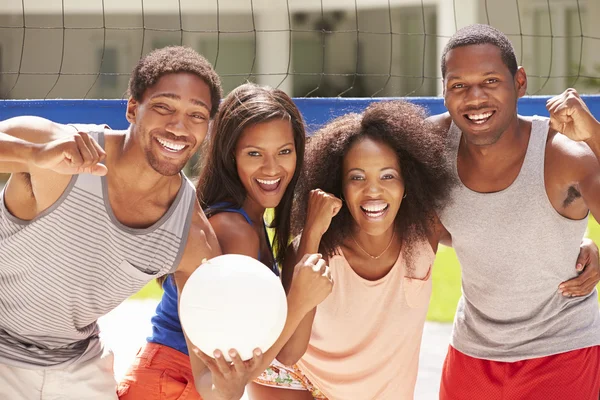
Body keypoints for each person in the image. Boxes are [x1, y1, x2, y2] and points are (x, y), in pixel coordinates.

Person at [0, 47, 327, 400]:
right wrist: (32, 156)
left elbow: (206, 380)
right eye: (163, 107)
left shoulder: (193, 235)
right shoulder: (60, 150)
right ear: (131, 108)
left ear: (207, 128)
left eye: (196, 115)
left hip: (78, 366)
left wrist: (228, 387)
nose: (178, 126)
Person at [118, 83, 333, 400]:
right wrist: (300, 299)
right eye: (254, 153)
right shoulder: (232, 231)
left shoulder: (251, 222)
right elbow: (248, 367)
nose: (272, 168)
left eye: (284, 152)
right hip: (172, 385)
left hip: (181, 384)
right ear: (230, 156)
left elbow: (287, 354)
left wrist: (312, 235)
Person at [427, 24, 600, 400]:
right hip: (472, 351)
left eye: (490, 81)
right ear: (444, 92)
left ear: (519, 82)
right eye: (459, 85)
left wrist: (594, 136)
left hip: (562, 350)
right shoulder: (430, 146)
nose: (475, 98)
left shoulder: (565, 154)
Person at [247, 100, 454, 399]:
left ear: (408, 182)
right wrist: (313, 232)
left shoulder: (425, 231)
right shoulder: (315, 246)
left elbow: (464, 121)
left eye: (388, 176)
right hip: (295, 376)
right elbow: (290, 353)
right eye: (357, 177)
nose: (373, 191)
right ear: (338, 185)